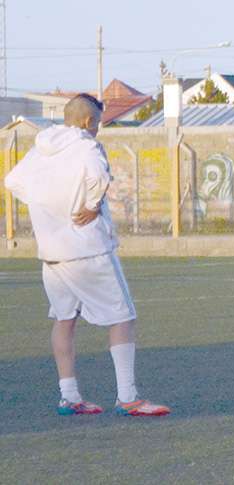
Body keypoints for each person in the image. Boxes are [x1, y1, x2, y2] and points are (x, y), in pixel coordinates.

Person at [4, 94, 170, 417]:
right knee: (122, 317)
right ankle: (128, 397)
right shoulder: (86, 145)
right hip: (88, 250)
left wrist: (48, 207)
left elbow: (12, 181)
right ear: (86, 121)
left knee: (64, 320)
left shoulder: (41, 148)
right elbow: (99, 177)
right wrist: (91, 206)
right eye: (98, 122)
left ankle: (70, 396)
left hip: (52, 255)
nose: (98, 129)